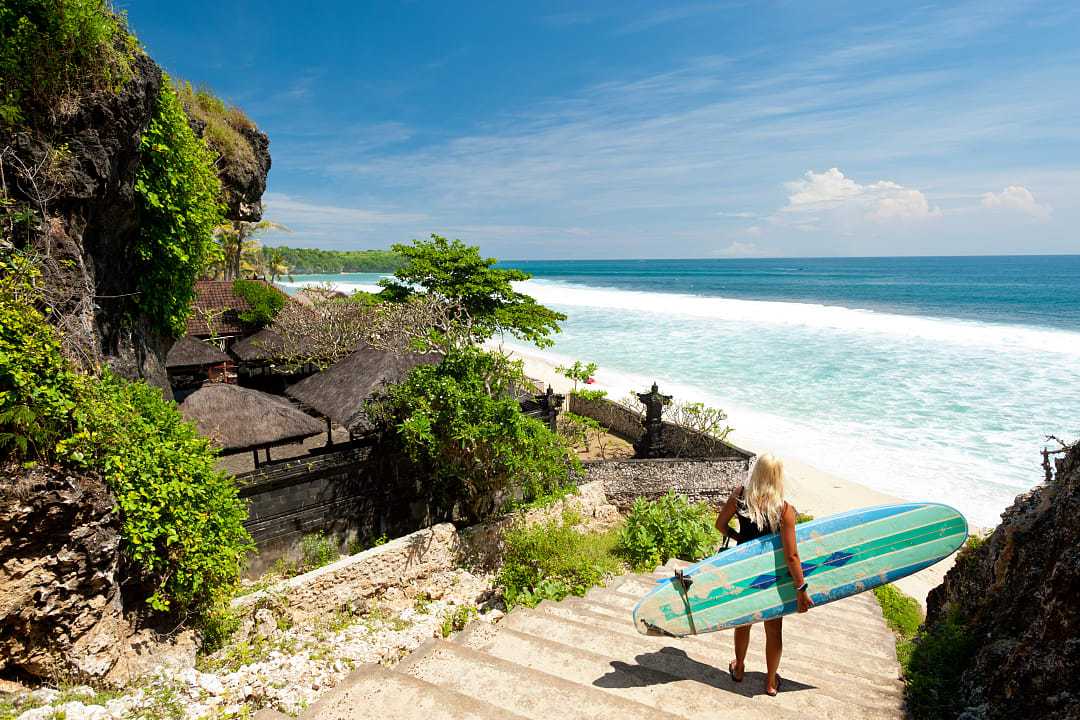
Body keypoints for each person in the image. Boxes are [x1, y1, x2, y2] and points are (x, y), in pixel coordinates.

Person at [714, 453, 813, 696]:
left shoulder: (740, 496)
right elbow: (791, 556)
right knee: (773, 629)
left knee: (743, 623)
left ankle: (738, 669)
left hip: (744, 572)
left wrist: (740, 540)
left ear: (756, 471)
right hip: (772, 576)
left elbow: (720, 525)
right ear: (778, 477)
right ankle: (770, 682)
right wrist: (801, 589)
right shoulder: (785, 510)